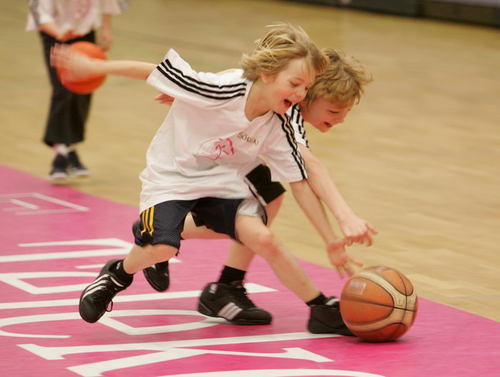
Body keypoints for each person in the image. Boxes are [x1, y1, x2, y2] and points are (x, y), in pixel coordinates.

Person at [52, 23, 355, 335]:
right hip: (173, 177)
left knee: (263, 236)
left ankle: (320, 308)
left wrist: (331, 239)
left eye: (305, 88)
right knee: (163, 249)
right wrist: (94, 66)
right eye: (295, 84)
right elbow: (154, 71)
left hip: (223, 182)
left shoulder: (279, 124)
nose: (301, 94)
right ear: (267, 74)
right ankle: (117, 274)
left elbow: (301, 182)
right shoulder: (220, 88)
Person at [144, 49, 377, 328]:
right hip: (197, 160)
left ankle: (220, 279)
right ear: (310, 95)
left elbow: (235, 76)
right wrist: (345, 217)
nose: (340, 119)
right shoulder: (288, 108)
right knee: (258, 208)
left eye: (346, 113)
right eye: (334, 111)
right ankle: (166, 235)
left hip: (223, 155)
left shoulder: (284, 95)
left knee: (269, 196)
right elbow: (310, 167)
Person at [27, 0, 125, 183]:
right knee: (63, 89)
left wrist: (106, 30)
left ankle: (69, 148)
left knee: (83, 89)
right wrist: (59, 33)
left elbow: (108, 3)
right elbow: (39, 12)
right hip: (54, 33)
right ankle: (61, 153)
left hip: (85, 34)